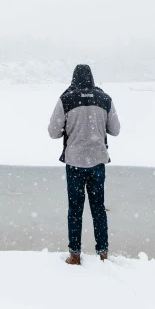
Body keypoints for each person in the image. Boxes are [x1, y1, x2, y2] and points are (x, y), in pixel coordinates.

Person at [48, 64, 120, 265]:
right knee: (98, 208)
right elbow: (115, 129)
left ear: (74, 79)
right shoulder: (104, 99)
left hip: (75, 163)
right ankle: (103, 254)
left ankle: (75, 255)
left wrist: (70, 129)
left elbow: (53, 132)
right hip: (97, 161)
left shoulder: (66, 99)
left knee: (75, 209)